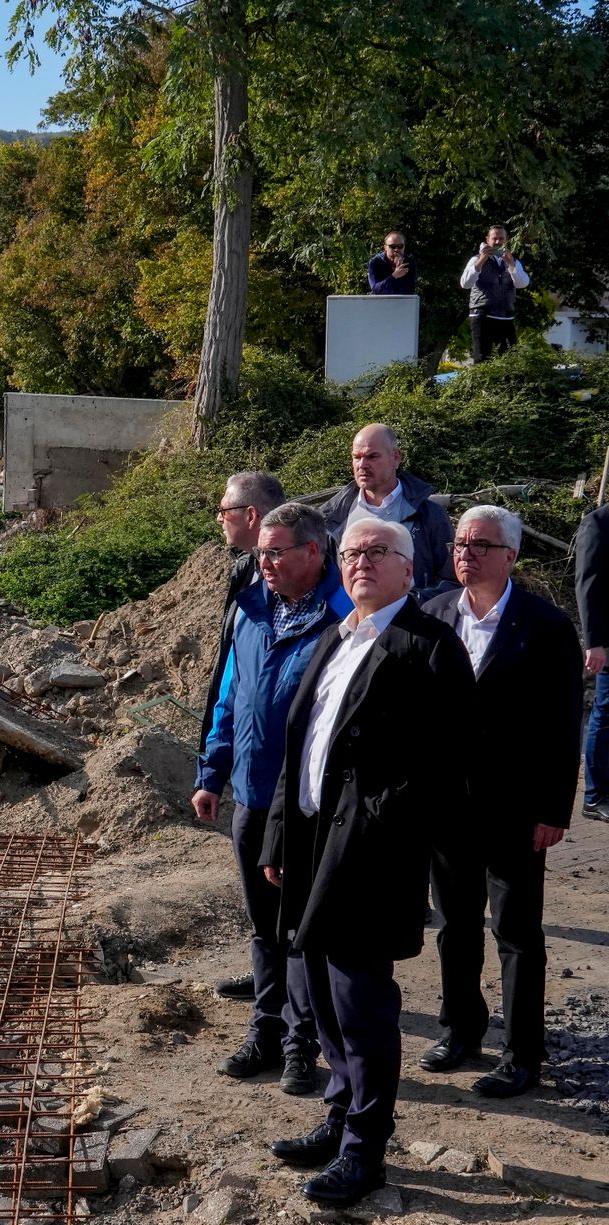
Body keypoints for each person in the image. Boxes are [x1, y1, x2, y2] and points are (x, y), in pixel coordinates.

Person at [260, 517, 474, 1205]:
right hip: (311, 844)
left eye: (378, 552)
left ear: (409, 569)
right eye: (352, 552)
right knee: (320, 994)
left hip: (371, 854)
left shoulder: (429, 645)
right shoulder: (336, 637)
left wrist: (378, 822)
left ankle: (365, 1150)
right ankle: (339, 1114)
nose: (362, 562)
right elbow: (300, 749)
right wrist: (278, 837)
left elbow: (448, 765)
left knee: (361, 1005)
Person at [419, 506, 580, 1096]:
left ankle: (522, 1052)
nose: (466, 552)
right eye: (460, 543)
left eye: (481, 545)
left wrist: (553, 810)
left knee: (516, 931)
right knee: (454, 925)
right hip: (447, 805)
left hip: (515, 806)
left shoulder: (544, 625)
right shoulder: (434, 612)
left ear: (510, 556)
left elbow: (563, 723)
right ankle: (461, 1029)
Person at [193, 502, 340, 1091]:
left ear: (313, 552)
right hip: (252, 796)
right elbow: (230, 699)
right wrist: (211, 773)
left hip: (307, 803)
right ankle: (266, 1032)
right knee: (264, 928)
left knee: (302, 930)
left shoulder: (342, 615)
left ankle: (303, 1043)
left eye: (276, 553)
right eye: (261, 553)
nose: (265, 564)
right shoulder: (251, 609)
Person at [202, 473, 288, 1003]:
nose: (220, 520)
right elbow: (233, 682)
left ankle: (298, 1009)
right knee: (261, 896)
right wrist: (213, 768)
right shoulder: (245, 578)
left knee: (291, 895)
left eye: (225, 511)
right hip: (250, 772)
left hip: (295, 780)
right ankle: (270, 992)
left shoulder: (329, 603)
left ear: (251, 515)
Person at [319, 424, 453, 590]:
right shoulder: (332, 518)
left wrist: (415, 603)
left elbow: (451, 581)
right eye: (357, 457)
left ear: (396, 457)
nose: (362, 465)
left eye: (372, 456)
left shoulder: (430, 514)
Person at [576, 500, 609, 824]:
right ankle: (595, 796)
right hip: (608, 641)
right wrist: (594, 642)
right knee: (606, 711)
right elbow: (587, 584)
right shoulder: (598, 523)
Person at [460, 225, 529, 362]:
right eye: (494, 238)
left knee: (509, 360)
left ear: (506, 240)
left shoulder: (512, 261)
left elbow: (523, 283)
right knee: (482, 359)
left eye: (501, 239)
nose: (498, 242)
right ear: (487, 240)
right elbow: (465, 283)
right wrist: (482, 260)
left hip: (505, 316)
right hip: (482, 315)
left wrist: (511, 265)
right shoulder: (476, 259)